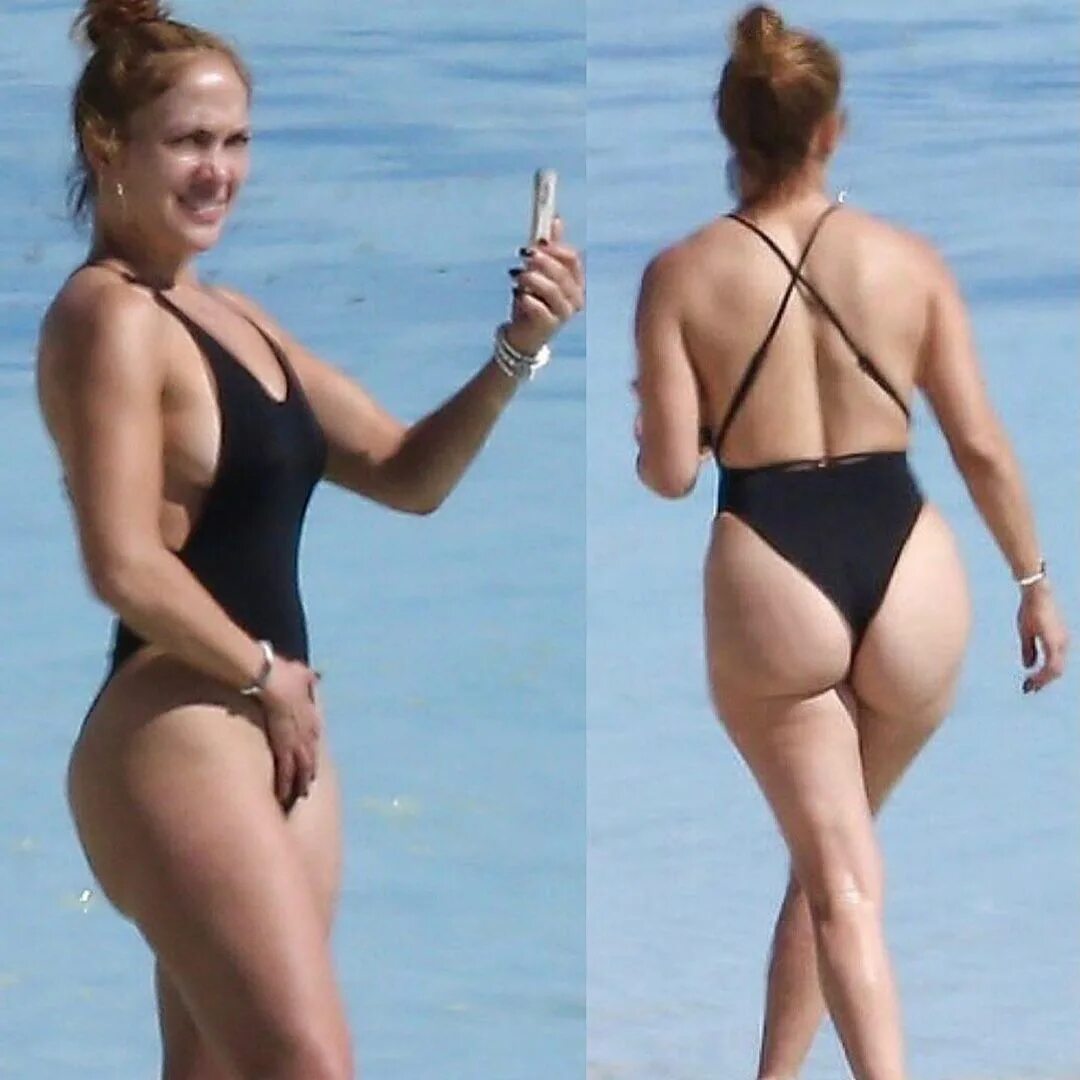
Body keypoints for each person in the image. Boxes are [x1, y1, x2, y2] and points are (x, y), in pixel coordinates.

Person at [36, 2, 583, 1077]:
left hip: (275, 731)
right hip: (178, 730)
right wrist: (262, 675)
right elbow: (121, 561)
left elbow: (408, 474)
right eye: (189, 142)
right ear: (108, 147)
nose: (219, 171)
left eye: (236, 141)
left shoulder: (235, 316)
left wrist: (517, 352)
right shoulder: (107, 318)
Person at [632, 6, 1066, 1079]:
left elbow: (673, 475)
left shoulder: (682, 274)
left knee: (837, 878)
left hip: (772, 565)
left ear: (730, 130)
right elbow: (979, 443)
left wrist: (661, 425)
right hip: (910, 561)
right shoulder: (908, 260)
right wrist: (1035, 581)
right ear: (832, 129)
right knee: (836, 856)